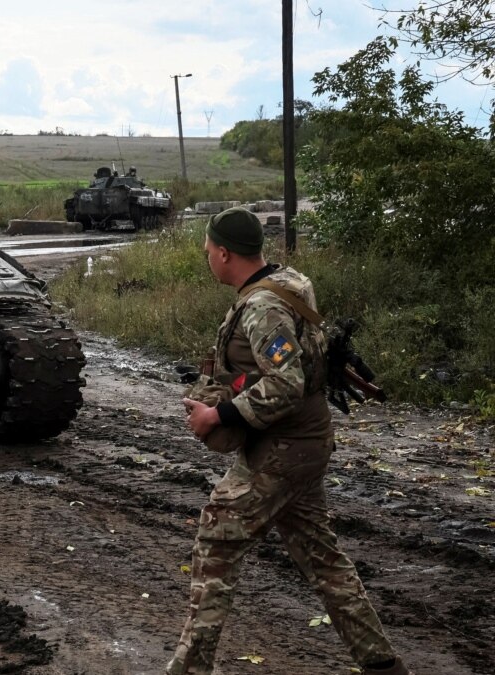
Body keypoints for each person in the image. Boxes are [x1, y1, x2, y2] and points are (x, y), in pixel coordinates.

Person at [167, 207, 413, 675]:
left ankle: (189, 669)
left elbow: (285, 384)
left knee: (217, 537)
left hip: (283, 451)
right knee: (323, 560)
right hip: (306, 444)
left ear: (223, 253)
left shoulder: (263, 307)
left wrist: (216, 413)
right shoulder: (287, 281)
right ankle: (383, 666)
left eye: (207, 252)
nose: (206, 259)